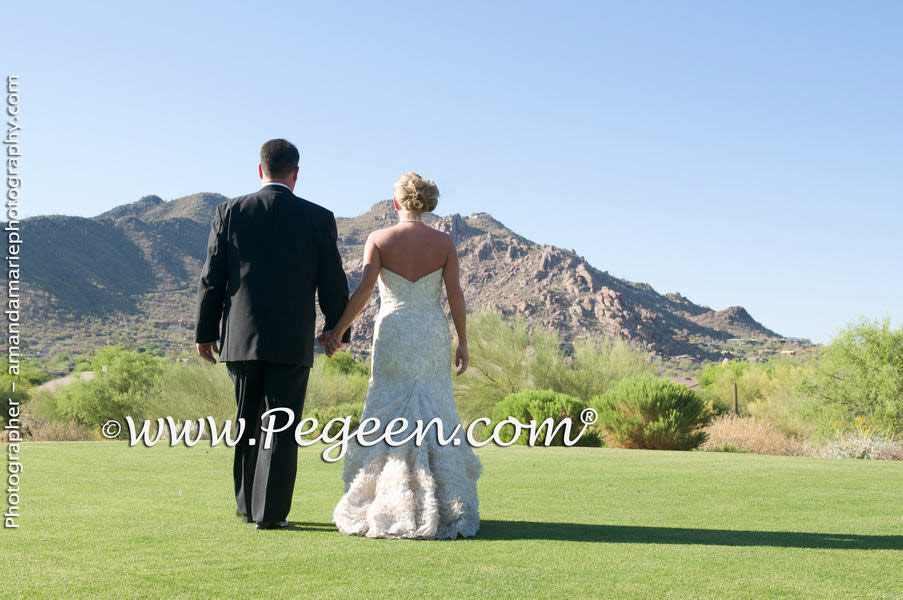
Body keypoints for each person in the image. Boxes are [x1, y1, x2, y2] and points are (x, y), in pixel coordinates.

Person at [194, 138, 351, 530]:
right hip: (291, 339)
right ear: (295, 174)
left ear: (260, 169)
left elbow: (212, 278)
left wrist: (205, 331)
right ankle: (272, 513)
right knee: (281, 425)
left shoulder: (229, 212)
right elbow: (333, 282)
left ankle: (247, 506)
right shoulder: (318, 217)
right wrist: (336, 331)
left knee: (246, 421)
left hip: (240, 338)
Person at [322, 172, 482, 539]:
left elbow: (364, 291)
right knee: (436, 410)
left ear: (397, 203)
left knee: (387, 408)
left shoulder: (378, 238)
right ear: (424, 203)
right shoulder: (444, 242)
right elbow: (455, 294)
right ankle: (445, 506)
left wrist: (338, 332)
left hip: (393, 330)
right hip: (429, 332)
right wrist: (463, 340)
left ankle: (382, 501)